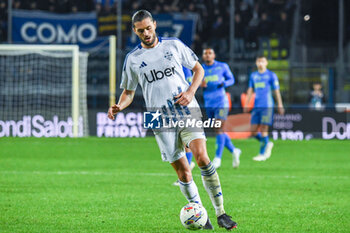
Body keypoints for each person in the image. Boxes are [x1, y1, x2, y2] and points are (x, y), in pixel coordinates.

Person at [108, 10, 237, 230]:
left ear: (155, 25)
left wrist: (190, 92)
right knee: (183, 172)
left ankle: (221, 212)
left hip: (186, 109)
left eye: (148, 28)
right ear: (135, 31)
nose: (146, 33)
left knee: (202, 158)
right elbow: (129, 92)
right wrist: (120, 105)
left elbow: (198, 70)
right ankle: (200, 213)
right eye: (141, 30)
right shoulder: (133, 59)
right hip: (158, 118)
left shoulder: (173, 45)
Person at [201, 48, 241, 169]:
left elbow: (231, 79)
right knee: (218, 130)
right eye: (205, 53)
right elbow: (194, 81)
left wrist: (224, 83)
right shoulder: (200, 69)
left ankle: (217, 158)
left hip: (222, 102)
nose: (207, 55)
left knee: (218, 127)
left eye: (210, 53)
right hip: (209, 103)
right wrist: (199, 83)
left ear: (214, 55)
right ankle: (234, 150)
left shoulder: (222, 66)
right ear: (203, 56)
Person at [243, 55, 284, 161]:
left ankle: (262, 154)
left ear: (266, 63)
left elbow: (276, 91)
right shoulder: (253, 76)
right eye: (258, 61)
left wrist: (280, 104)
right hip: (257, 106)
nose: (260, 63)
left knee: (264, 129)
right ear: (256, 63)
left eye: (262, 61)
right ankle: (267, 143)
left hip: (267, 106)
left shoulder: (271, 75)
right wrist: (247, 103)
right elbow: (250, 90)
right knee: (253, 132)